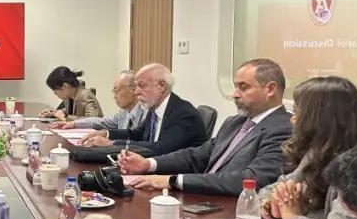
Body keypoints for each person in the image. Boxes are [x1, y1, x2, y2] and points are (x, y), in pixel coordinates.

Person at [118, 58, 291, 195]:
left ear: (270, 89)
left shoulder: (283, 129)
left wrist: (173, 180)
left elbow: (250, 180)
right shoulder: (235, 122)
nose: (235, 94)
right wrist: (148, 164)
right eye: (235, 87)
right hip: (200, 198)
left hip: (229, 209)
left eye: (243, 87)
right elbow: (197, 155)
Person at [258, 76, 357, 219]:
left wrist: (291, 217)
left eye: (298, 112)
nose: (292, 120)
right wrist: (271, 202)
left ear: (321, 119)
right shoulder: (321, 151)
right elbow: (271, 189)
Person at [79, 63, 206, 156]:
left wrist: (111, 144)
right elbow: (137, 134)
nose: (136, 92)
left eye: (142, 86)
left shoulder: (183, 113)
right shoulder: (154, 108)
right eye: (136, 86)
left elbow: (161, 149)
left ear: (162, 86)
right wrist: (106, 134)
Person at [50, 69, 146, 134]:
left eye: (117, 91)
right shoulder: (124, 112)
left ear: (134, 90)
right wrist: (74, 123)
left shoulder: (147, 115)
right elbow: (101, 122)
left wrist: (109, 139)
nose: (114, 96)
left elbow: (93, 116)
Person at [38, 67, 103, 121]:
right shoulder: (70, 96)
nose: (55, 93)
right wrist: (53, 114)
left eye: (55, 90)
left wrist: (66, 119)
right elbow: (70, 110)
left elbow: (93, 120)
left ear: (65, 86)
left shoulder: (85, 96)